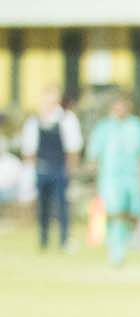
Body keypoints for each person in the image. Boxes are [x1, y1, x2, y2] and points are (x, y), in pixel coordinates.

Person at [84, 93, 140, 268]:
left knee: (133, 213)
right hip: (111, 178)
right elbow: (94, 154)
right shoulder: (104, 127)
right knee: (115, 212)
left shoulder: (136, 126)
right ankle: (116, 250)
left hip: (132, 176)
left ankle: (124, 241)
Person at [20, 89, 82, 251]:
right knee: (43, 206)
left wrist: (70, 169)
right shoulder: (35, 121)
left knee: (62, 205)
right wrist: (30, 170)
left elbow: (73, 148)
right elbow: (29, 150)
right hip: (42, 168)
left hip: (60, 168)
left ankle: (64, 239)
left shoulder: (66, 119)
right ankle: (43, 240)